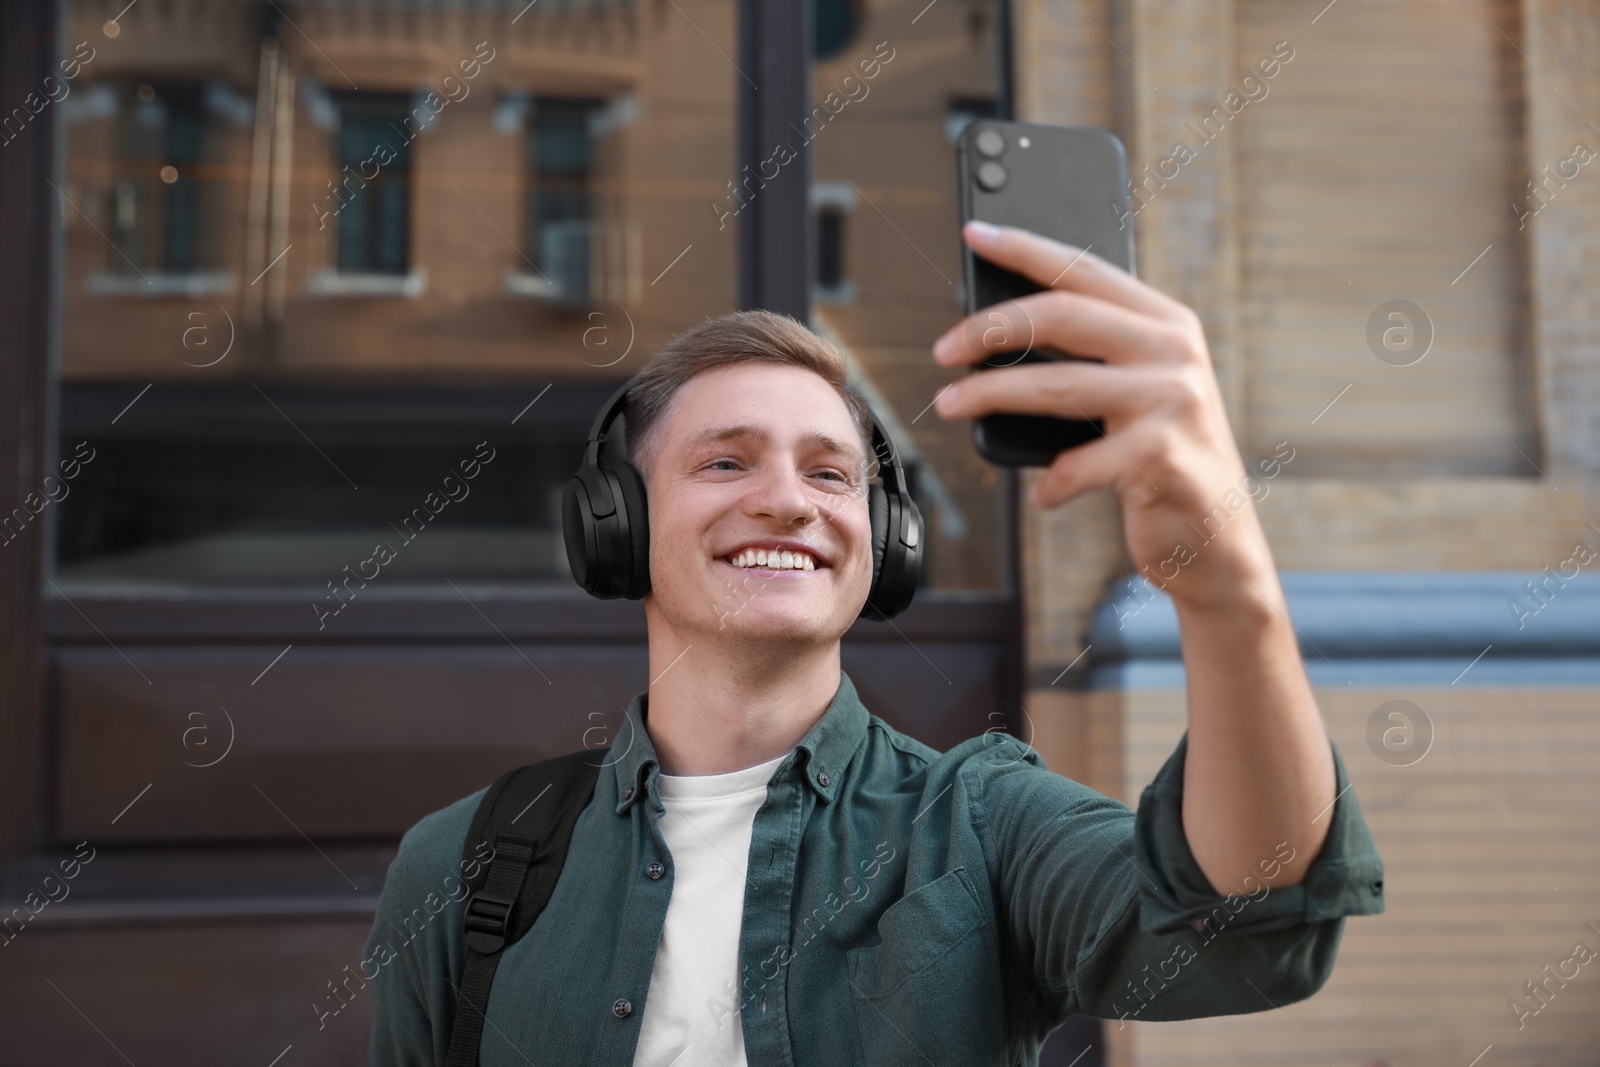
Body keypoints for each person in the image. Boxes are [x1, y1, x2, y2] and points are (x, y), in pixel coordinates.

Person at [363, 221, 1385, 1066]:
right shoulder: (462, 862)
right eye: (725, 461)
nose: (786, 502)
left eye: (829, 474)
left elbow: (1245, 915)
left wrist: (1228, 594)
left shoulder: (980, 823)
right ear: (615, 523)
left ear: (885, 541)